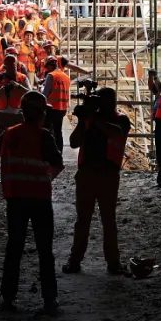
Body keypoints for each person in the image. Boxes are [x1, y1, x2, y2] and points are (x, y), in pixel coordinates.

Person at [0, 91, 64, 313]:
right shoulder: (43, 137)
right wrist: (45, 175)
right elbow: (58, 164)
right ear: (42, 114)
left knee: (14, 247)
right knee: (44, 250)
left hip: (15, 198)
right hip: (40, 198)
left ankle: (8, 298)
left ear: (22, 112)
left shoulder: (10, 134)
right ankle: (49, 300)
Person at [63, 85, 131, 276]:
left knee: (108, 220)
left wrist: (93, 117)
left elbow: (116, 132)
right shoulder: (91, 119)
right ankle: (75, 260)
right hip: (87, 172)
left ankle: (113, 261)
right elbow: (74, 142)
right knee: (83, 219)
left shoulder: (121, 119)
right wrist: (83, 120)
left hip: (108, 173)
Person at [0, 53, 29, 132]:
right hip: (2, 113)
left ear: (17, 65)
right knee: (2, 139)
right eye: (9, 66)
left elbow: (30, 94)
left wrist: (19, 87)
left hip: (18, 113)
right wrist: (3, 89)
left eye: (14, 66)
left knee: (17, 139)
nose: (12, 69)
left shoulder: (22, 78)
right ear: (5, 67)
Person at [38, 55, 71, 150]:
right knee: (58, 132)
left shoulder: (51, 75)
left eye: (47, 67)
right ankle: (59, 153)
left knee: (47, 131)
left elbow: (45, 94)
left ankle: (48, 151)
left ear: (49, 66)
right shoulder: (66, 77)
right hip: (62, 108)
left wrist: (41, 88)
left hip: (51, 108)